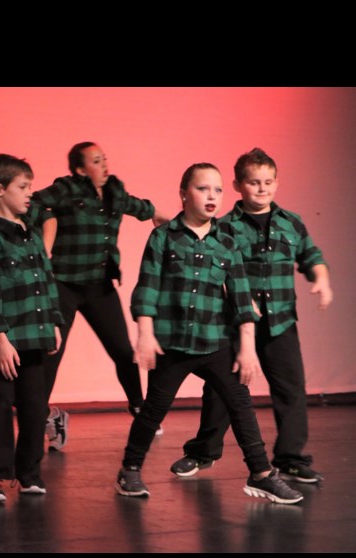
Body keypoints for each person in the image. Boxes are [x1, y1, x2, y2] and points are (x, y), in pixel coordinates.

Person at [115, 162, 302, 504]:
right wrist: (145, 334)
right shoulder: (163, 236)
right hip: (173, 344)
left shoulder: (227, 242)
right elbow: (147, 289)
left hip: (216, 341)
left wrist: (246, 348)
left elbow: (242, 299)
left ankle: (261, 474)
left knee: (241, 405)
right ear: (184, 194)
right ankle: (130, 468)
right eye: (203, 189)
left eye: (217, 190)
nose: (212, 196)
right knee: (154, 409)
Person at [171, 148, 332, 483]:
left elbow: (311, 254)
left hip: (281, 321)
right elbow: (216, 271)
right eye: (254, 182)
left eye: (268, 182)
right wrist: (237, 300)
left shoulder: (291, 222)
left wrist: (321, 278)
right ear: (237, 185)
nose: (262, 189)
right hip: (234, 325)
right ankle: (203, 452)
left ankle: (291, 458)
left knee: (290, 389)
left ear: (277, 182)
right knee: (222, 390)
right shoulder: (224, 227)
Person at [31, 143, 170, 450]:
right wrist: (44, 226)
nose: (104, 164)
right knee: (51, 354)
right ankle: (42, 417)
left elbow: (137, 206)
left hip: (99, 286)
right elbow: (33, 203)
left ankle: (139, 407)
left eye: (104, 159)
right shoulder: (66, 189)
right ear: (80, 170)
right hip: (64, 284)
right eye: (96, 161)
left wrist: (160, 216)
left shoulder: (114, 193)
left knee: (122, 351)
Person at [0, 154, 62, 503]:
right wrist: (0, 339)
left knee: (35, 405)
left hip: (36, 334)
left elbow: (46, 282)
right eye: (23, 187)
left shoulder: (31, 235)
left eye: (30, 187)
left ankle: (29, 473)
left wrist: (53, 321)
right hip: (7, 339)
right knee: (2, 403)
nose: (29, 194)